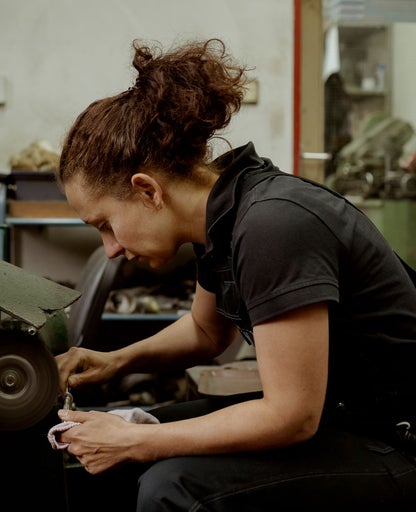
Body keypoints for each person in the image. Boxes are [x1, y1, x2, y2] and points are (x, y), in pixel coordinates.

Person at [54, 38, 416, 511]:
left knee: (172, 485)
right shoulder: (223, 213)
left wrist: (136, 442)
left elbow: (291, 417)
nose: (112, 248)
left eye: (106, 224)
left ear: (147, 191)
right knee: (124, 447)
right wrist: (115, 360)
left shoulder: (272, 224)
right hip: (342, 416)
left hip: (397, 439)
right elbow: (207, 332)